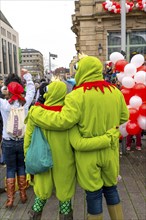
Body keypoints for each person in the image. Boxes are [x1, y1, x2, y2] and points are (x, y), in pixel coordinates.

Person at [29, 55, 129, 220]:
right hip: (110, 152)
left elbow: (62, 121)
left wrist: (36, 112)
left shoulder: (76, 96)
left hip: (87, 155)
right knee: (111, 189)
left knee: (94, 194)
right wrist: (111, 130)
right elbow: (124, 117)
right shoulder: (115, 92)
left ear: (82, 70)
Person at [0, 70, 35, 208]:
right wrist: (27, 76)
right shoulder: (25, 104)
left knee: (10, 169)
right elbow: (31, 89)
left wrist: (4, 88)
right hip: (22, 140)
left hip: (8, 142)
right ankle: (23, 194)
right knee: (22, 167)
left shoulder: (4, 104)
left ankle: (10, 199)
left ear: (7, 89)